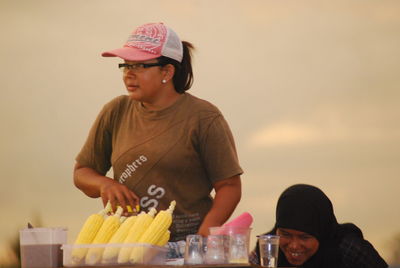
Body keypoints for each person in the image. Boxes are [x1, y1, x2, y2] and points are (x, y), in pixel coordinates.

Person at [73, 22, 243, 241]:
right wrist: (105, 184)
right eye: (125, 65)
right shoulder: (115, 111)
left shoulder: (204, 117)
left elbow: (229, 187)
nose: (128, 74)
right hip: (125, 245)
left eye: (139, 66)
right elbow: (82, 172)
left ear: (167, 71)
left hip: (183, 248)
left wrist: (200, 241)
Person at [250, 184, 388, 268]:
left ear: (322, 233)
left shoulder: (348, 249)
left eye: (304, 237)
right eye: (286, 234)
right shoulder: (266, 250)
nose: (294, 245)